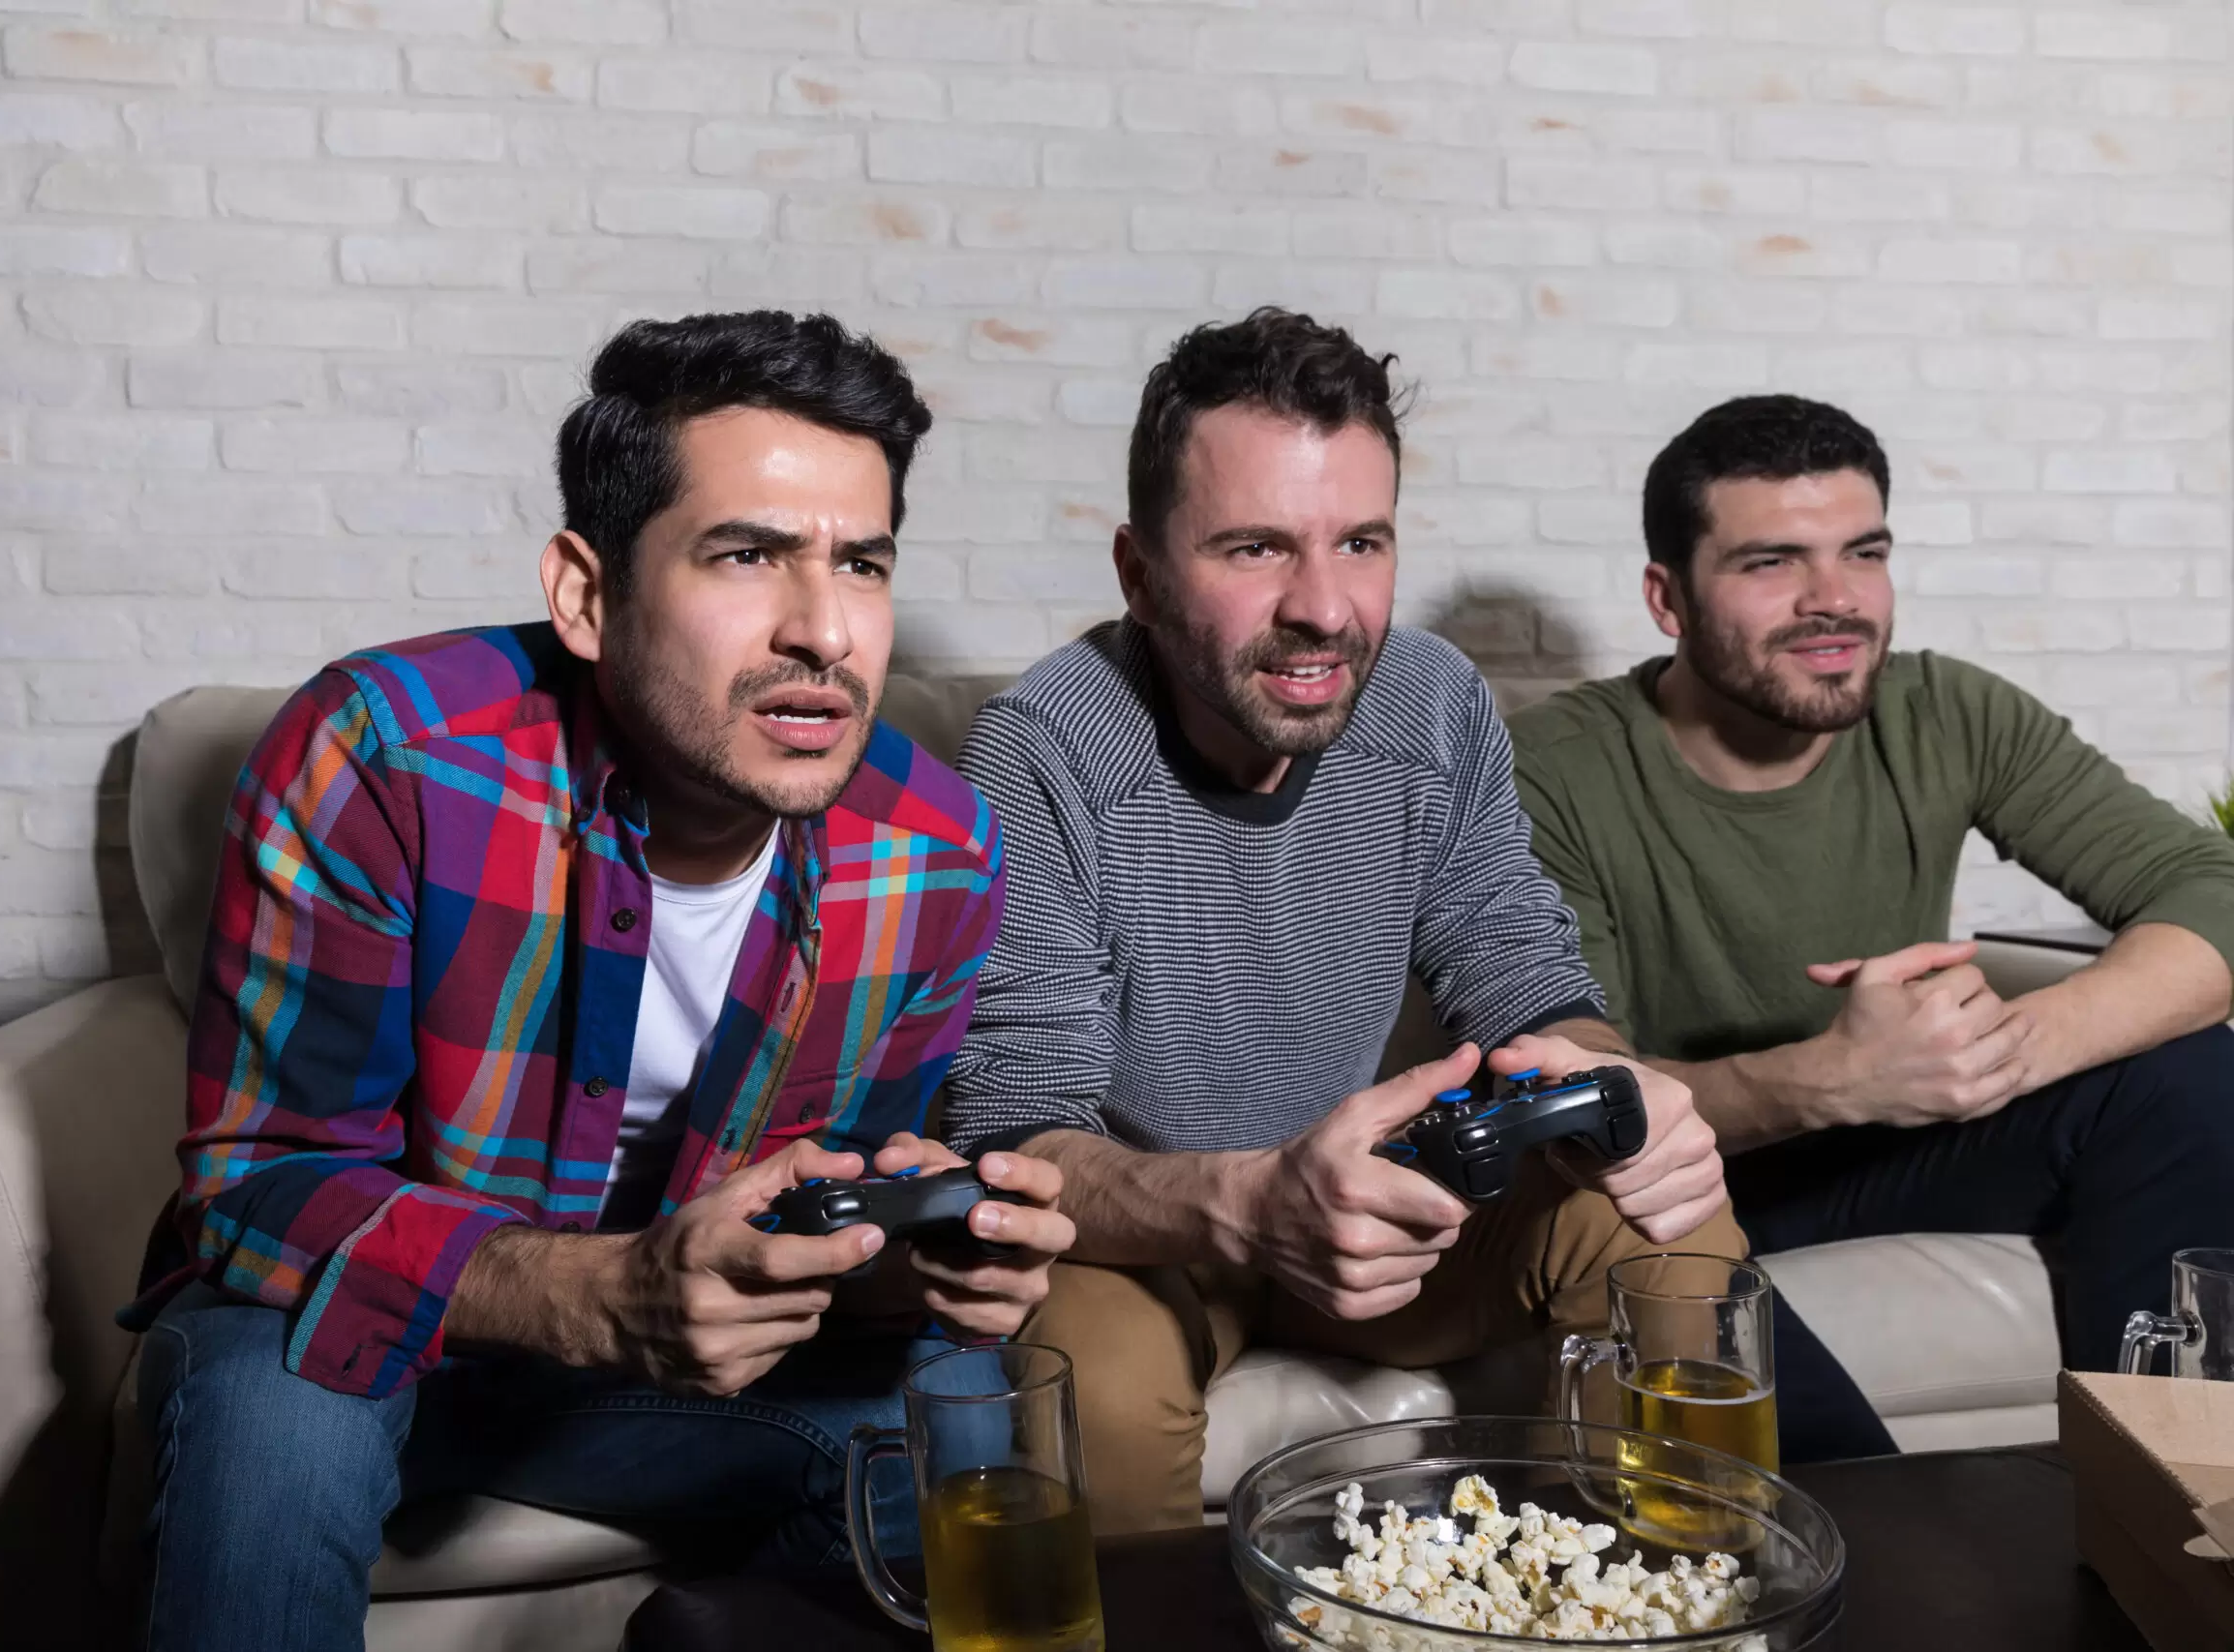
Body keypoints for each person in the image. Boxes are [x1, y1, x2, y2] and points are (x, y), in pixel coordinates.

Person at [120, 311, 1075, 1652]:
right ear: (586, 591)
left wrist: (921, 1254)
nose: (823, 630)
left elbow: (828, 1199)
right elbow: (255, 1182)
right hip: (362, 1339)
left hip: (656, 1382)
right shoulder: (387, 757)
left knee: (961, 1397)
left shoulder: (933, 849)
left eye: (860, 562)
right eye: (746, 555)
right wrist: (594, 1291)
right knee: (278, 1407)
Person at [937, 309, 1736, 1535]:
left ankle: (1677, 1604)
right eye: (1254, 548)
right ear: (1139, 575)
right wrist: (1252, 1202)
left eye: (1359, 541)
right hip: (1156, 1231)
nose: (1324, 608)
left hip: (1389, 1207)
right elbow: (1019, 1136)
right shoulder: (1044, 745)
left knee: (1666, 1216)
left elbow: (1515, 965)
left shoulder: (1427, 699)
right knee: (1086, 1381)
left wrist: (1619, 1091)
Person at [1509, 393, 2234, 1454]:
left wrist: (1999, 1052)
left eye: (1863, 551)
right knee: (1628, 1207)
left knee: (2189, 1077)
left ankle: (2165, 1494)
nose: (1834, 600)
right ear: (1667, 599)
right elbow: (1575, 1102)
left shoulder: (1946, 712)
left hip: (1884, 1150)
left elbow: (2206, 891)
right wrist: (1831, 1078)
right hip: (1676, 1182)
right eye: (1770, 563)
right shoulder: (1552, 772)